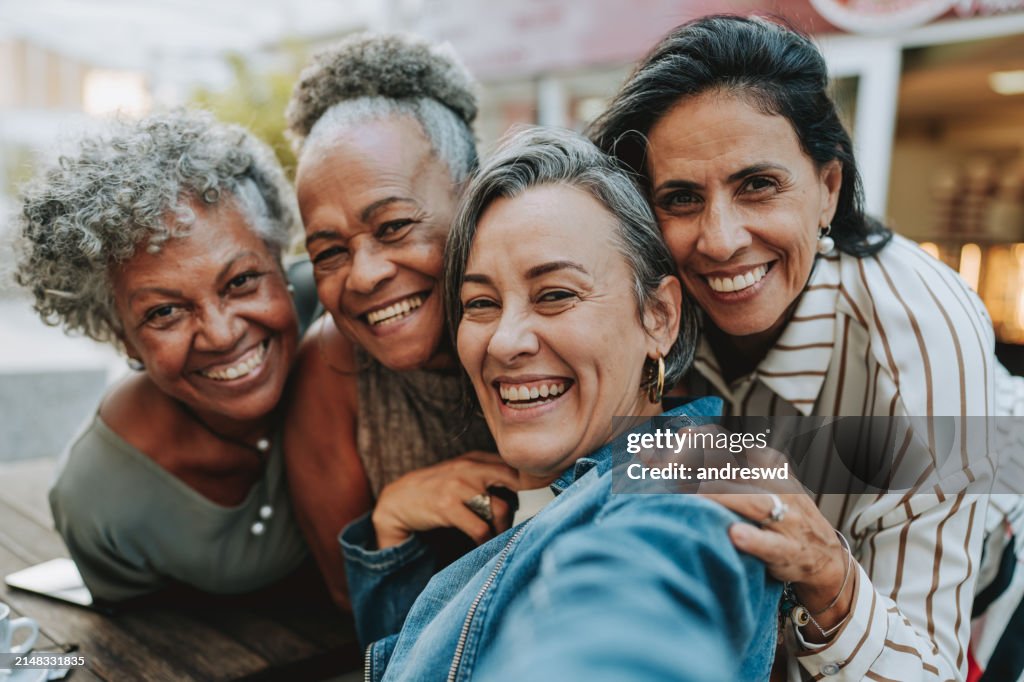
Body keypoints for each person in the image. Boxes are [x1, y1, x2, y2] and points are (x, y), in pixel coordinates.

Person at [590, 14, 1020, 680]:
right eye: (680, 198)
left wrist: (827, 572)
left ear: (828, 188)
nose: (721, 239)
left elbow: (927, 664)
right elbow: (644, 469)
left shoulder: (920, 333)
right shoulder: (653, 301)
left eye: (757, 185)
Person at [340, 125, 781, 682]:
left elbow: (626, 618)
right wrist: (392, 536)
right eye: (480, 303)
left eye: (555, 295)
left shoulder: (689, 479)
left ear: (659, 317)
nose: (504, 340)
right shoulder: (556, 492)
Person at [14, 111, 308, 603]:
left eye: (240, 282)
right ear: (120, 335)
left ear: (280, 262)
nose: (220, 334)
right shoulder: (100, 501)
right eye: (166, 312)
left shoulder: (351, 323)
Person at [283, 33, 519, 608]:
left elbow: (755, 464)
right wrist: (393, 517)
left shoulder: (570, 300)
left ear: (474, 198)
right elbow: (347, 594)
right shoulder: (334, 364)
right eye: (330, 252)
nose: (363, 276)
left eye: (393, 227)